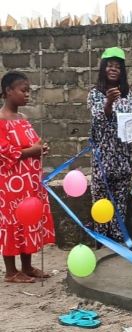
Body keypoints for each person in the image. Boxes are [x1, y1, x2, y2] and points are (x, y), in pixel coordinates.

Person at [88, 47, 132, 243]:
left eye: (117, 66)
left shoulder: (128, 94)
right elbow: (100, 118)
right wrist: (109, 101)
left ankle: (118, 238)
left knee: (120, 200)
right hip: (103, 157)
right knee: (100, 199)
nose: (113, 69)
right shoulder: (95, 94)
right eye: (110, 65)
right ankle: (101, 238)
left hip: (124, 156)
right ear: (103, 68)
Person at [0, 71, 55, 283]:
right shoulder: (1, 120)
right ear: (8, 91)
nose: (28, 95)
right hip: (10, 185)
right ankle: (11, 271)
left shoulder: (22, 119)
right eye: (23, 90)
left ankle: (27, 266)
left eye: (28, 91)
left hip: (30, 183)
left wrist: (41, 149)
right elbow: (4, 153)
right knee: (12, 223)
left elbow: (32, 145)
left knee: (28, 220)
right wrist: (33, 151)